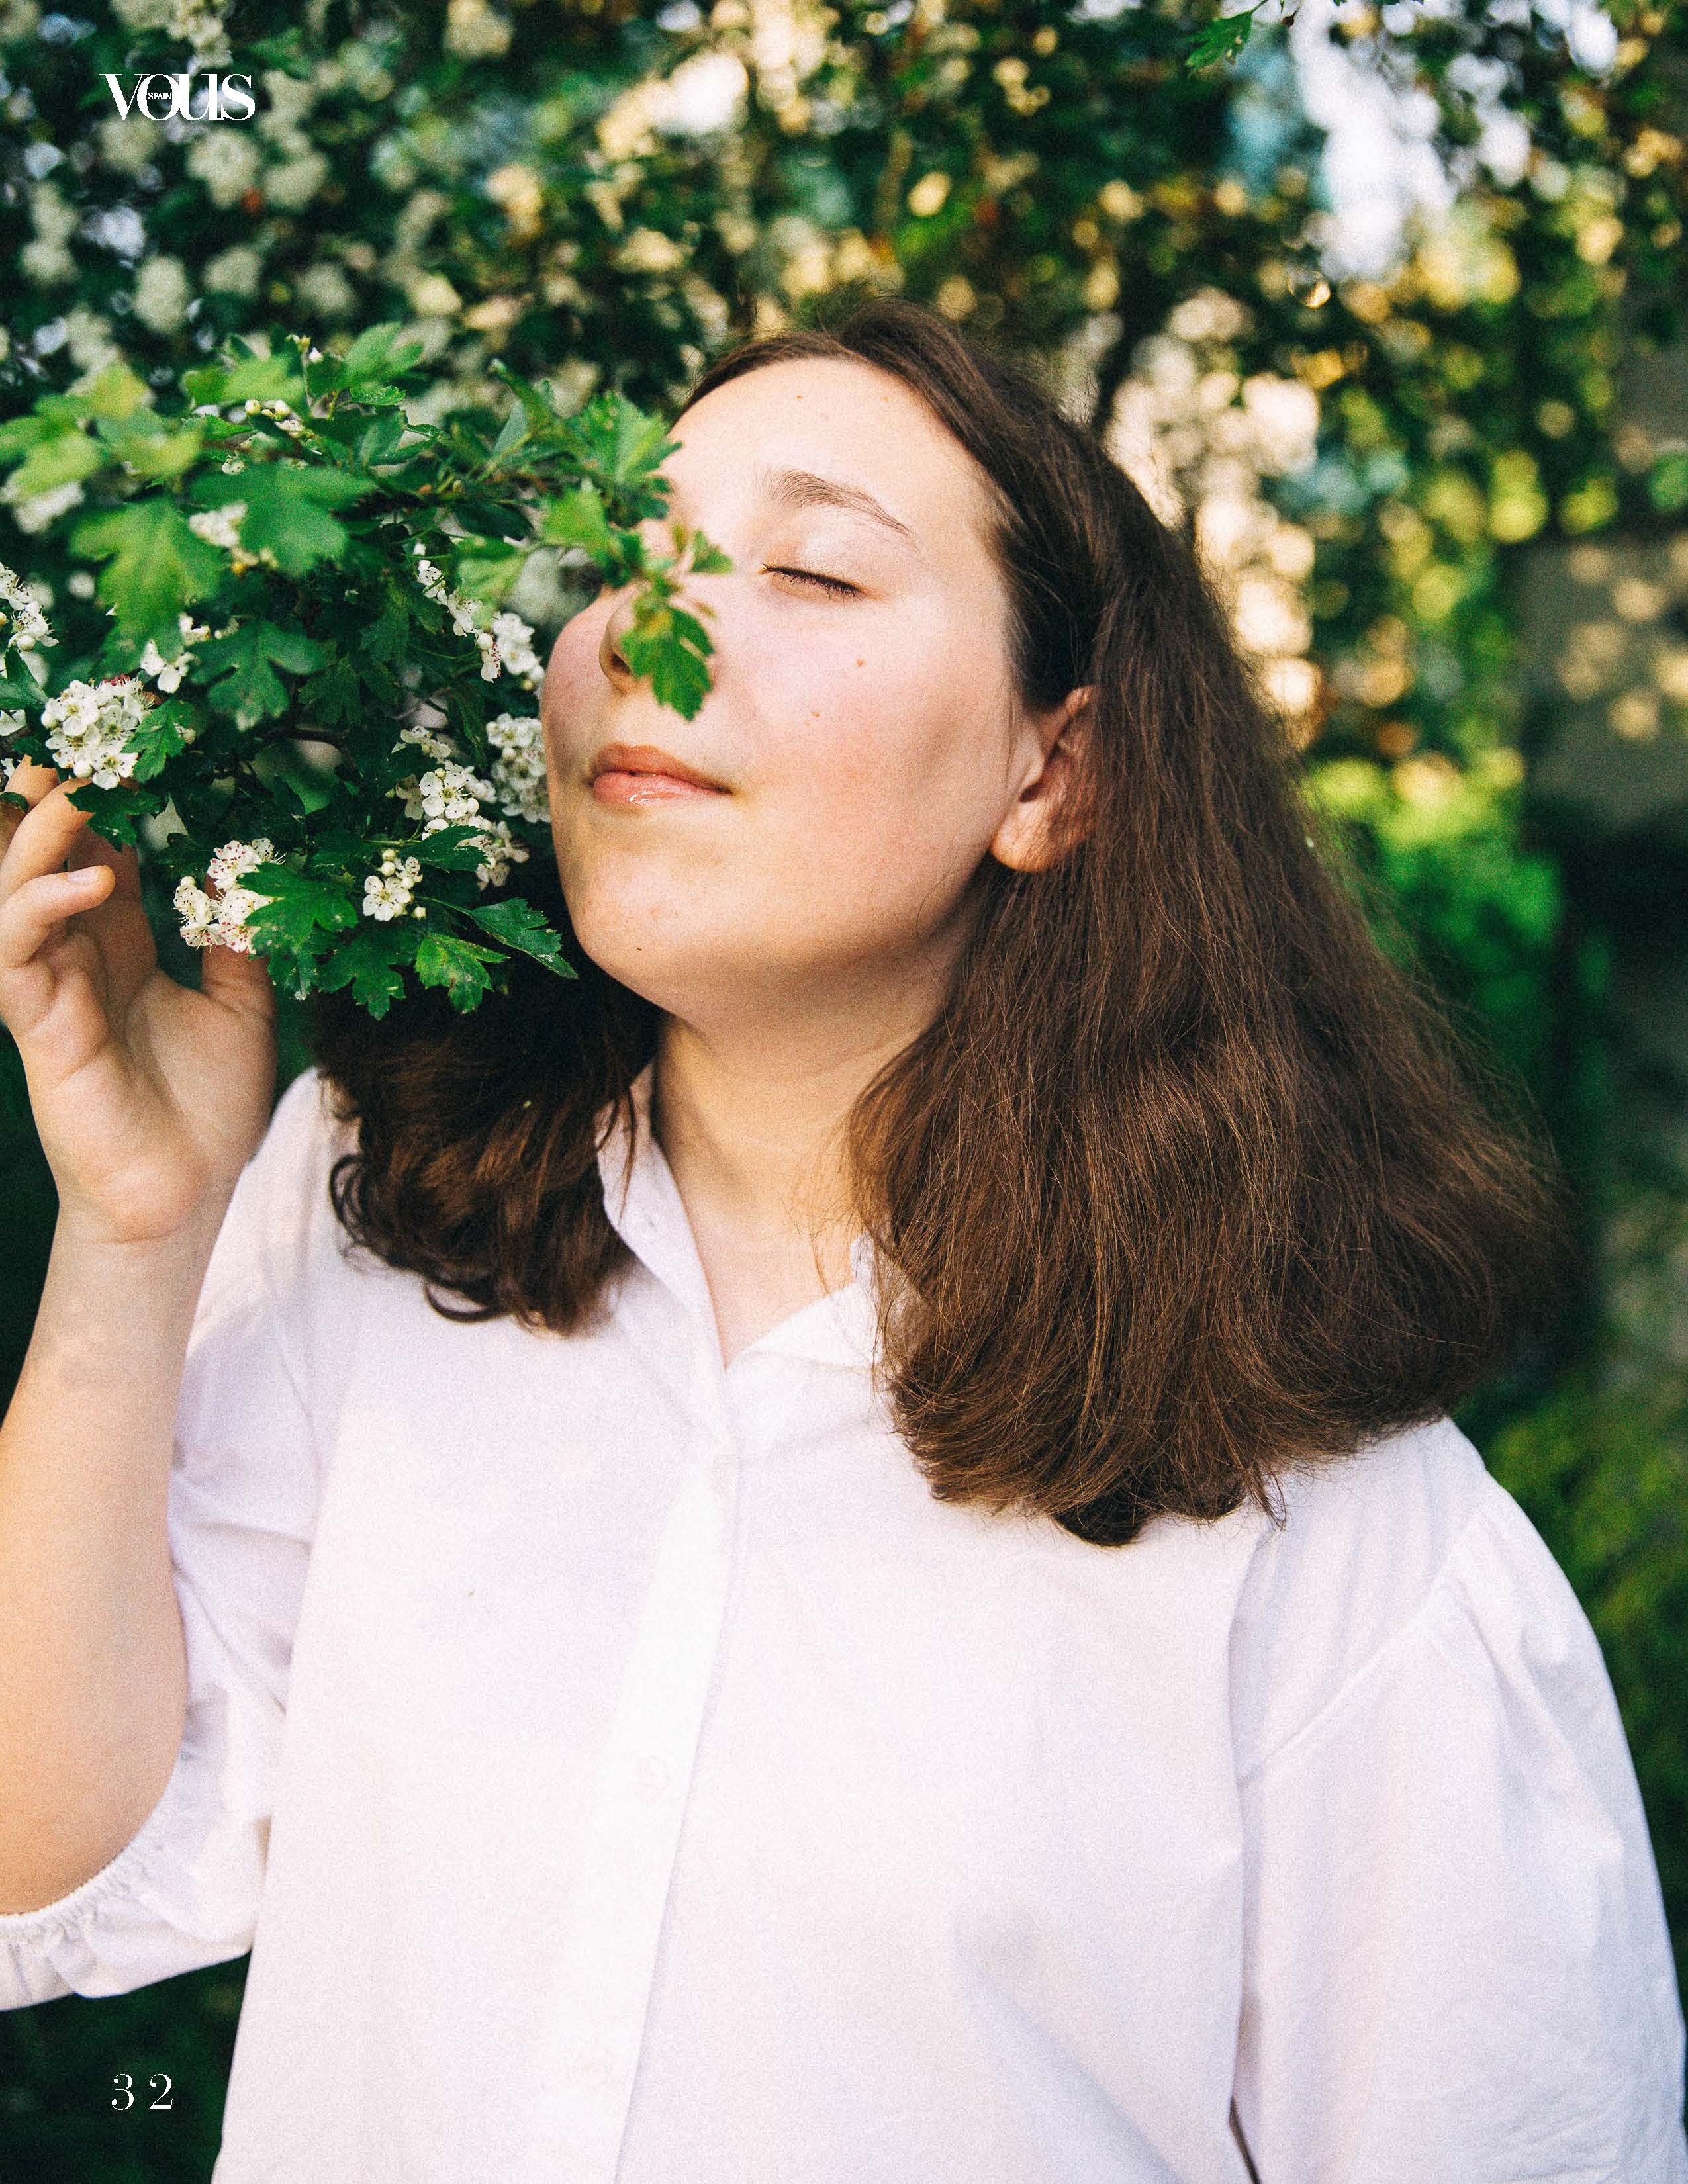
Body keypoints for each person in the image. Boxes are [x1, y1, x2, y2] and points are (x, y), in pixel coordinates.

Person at [0, 295, 1682, 2184]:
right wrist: (135, 1234)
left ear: (1053, 773)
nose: (651, 623)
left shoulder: (1336, 1524)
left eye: (807, 568)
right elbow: (47, 1857)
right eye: (616, 553)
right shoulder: (372, 1214)